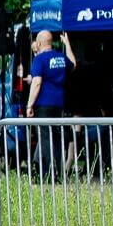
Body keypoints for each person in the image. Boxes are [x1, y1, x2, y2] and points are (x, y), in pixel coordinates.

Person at [26, 29, 76, 174]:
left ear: (39, 43)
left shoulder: (39, 59)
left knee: (45, 138)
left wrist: (29, 104)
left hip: (43, 105)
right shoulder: (61, 57)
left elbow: (37, 83)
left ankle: (48, 173)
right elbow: (73, 64)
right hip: (59, 104)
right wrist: (67, 44)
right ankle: (59, 171)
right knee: (58, 137)